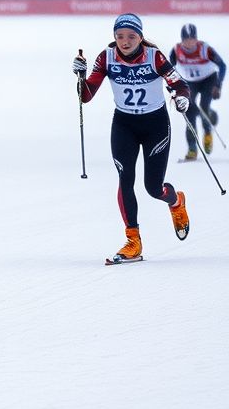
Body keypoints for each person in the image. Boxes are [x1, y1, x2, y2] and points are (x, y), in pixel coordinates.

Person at [73, 13, 192, 263]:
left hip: (155, 125)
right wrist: (80, 76)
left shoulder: (154, 56)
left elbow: (180, 85)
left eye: (130, 36)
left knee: (153, 188)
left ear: (140, 37)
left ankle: (176, 201)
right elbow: (85, 96)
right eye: (119, 36)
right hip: (124, 124)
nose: (124, 41)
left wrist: (182, 97)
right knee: (125, 178)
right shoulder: (106, 57)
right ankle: (133, 241)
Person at [168, 23, 225, 159]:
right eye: (186, 39)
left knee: (204, 107)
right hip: (190, 83)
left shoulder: (205, 49)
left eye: (192, 39)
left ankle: (207, 132)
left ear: (196, 38)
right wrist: (173, 85)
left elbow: (222, 65)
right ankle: (192, 148)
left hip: (208, 81)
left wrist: (218, 85)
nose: (189, 42)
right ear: (182, 40)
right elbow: (168, 69)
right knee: (189, 111)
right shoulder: (176, 50)